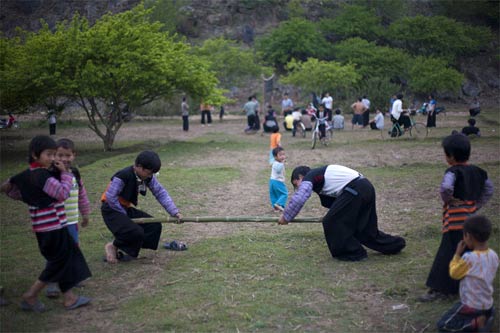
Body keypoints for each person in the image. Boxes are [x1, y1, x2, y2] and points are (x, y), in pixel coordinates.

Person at [0, 135, 92, 311]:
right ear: (35, 155)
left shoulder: (28, 176)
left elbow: (14, 192)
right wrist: (65, 173)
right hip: (53, 227)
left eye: (54, 155)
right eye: (49, 155)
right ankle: (30, 295)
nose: (53, 159)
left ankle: (69, 297)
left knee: (65, 257)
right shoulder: (43, 176)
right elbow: (63, 194)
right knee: (58, 262)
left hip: (44, 227)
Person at [419, 134, 494, 302]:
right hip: (471, 220)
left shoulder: (452, 171)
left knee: (447, 254)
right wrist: (476, 204)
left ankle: (441, 290)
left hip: (454, 222)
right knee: (469, 252)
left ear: (451, 156)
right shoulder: (479, 172)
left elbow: (446, 187)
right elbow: (489, 190)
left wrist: (449, 200)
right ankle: (468, 283)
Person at [278, 165, 406, 261]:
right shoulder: (324, 178)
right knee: (363, 228)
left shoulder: (310, 176)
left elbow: (300, 197)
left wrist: (286, 217)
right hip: (365, 188)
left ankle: (353, 253)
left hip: (356, 189)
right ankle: (394, 245)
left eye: (297, 184)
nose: (298, 188)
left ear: (301, 177)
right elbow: (337, 203)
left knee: (330, 221)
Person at [101, 150, 182, 263]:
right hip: (111, 209)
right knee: (135, 231)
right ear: (139, 167)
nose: (150, 176)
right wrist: (124, 216)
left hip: (125, 208)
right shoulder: (123, 175)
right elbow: (110, 197)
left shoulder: (148, 177)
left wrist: (174, 212)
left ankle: (129, 249)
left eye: (152, 173)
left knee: (153, 225)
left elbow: (160, 193)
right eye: (149, 173)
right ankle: (113, 246)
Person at [46, 138, 91, 298]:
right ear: (54, 156)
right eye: (60, 155)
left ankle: (71, 277)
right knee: (56, 252)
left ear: (74, 155)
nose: (64, 159)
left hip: (72, 222)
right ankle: (52, 282)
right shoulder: (51, 174)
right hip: (55, 222)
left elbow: (82, 196)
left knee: (73, 249)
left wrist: (85, 214)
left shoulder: (75, 174)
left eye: (68, 155)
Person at [436, 216, 498, 332]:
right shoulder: (493, 255)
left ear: (468, 236)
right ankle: (488, 314)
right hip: (486, 302)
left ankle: (475, 323)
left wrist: (457, 255)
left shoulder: (469, 258)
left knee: (443, 325)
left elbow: (454, 273)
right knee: (456, 308)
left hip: (471, 304)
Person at [269, 147, 288, 211]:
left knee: (275, 194)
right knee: (284, 193)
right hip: (278, 182)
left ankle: (276, 208)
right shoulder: (277, 163)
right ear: (275, 157)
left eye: (283, 154)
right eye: (280, 155)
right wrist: (282, 163)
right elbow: (278, 170)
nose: (283, 156)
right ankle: (279, 204)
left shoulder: (276, 163)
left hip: (272, 181)